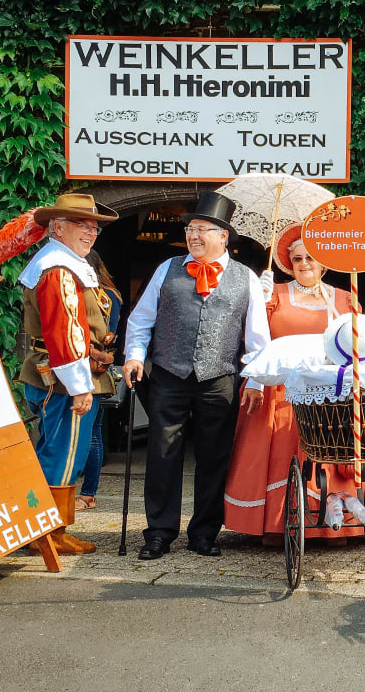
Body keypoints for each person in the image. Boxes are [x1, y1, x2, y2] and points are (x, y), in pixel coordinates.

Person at [123, 191, 272, 560]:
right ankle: (159, 532)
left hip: (219, 377)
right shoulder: (167, 268)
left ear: (223, 236)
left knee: (214, 457)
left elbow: (257, 337)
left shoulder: (246, 278)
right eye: (191, 228)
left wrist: (254, 380)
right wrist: (134, 355)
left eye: (204, 229)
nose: (194, 235)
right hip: (169, 375)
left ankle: (204, 533)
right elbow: (141, 320)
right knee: (162, 453)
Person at [223, 224, 361, 544]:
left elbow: (354, 346)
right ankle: (275, 523)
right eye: (297, 259)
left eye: (310, 258)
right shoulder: (274, 295)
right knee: (280, 454)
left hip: (325, 388)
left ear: (324, 263)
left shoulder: (342, 299)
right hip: (278, 387)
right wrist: (256, 382)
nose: (304, 264)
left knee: (325, 450)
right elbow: (256, 340)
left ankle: (330, 522)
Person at [17, 193, 119, 555]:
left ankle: (44, 530)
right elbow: (64, 333)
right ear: (57, 227)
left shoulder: (60, 263)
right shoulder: (59, 269)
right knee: (63, 455)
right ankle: (48, 534)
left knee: (59, 452)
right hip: (62, 379)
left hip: (57, 376)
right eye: (82, 225)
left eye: (94, 228)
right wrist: (80, 386)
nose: (90, 233)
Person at [75, 250, 123, 511]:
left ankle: (87, 492)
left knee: (89, 433)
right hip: (95, 367)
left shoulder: (102, 295)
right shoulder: (112, 294)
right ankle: (87, 492)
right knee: (92, 433)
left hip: (92, 367)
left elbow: (108, 335)